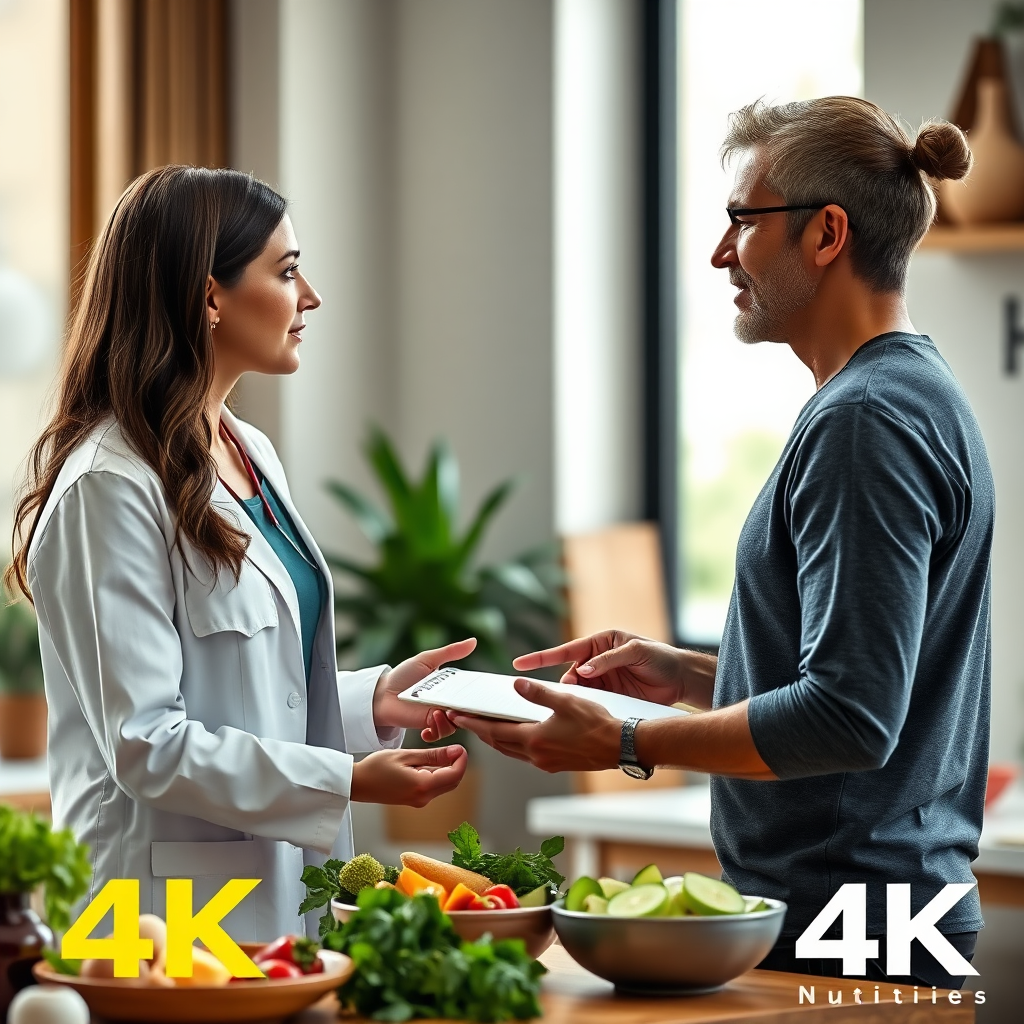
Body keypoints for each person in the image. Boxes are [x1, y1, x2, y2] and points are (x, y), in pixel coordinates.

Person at [452, 97, 992, 988]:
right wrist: (702, 671)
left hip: (856, 918)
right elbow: (870, 671)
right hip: (880, 906)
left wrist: (629, 737)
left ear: (826, 233)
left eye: (742, 220)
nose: (718, 252)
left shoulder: (867, 420)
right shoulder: (906, 392)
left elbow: (853, 715)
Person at [5, 165, 469, 940]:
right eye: (285, 271)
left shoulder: (246, 450)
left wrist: (370, 702)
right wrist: (347, 780)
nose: (309, 297)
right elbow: (146, 743)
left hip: (268, 897)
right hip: (151, 915)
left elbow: (255, 687)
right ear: (209, 296)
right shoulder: (108, 487)